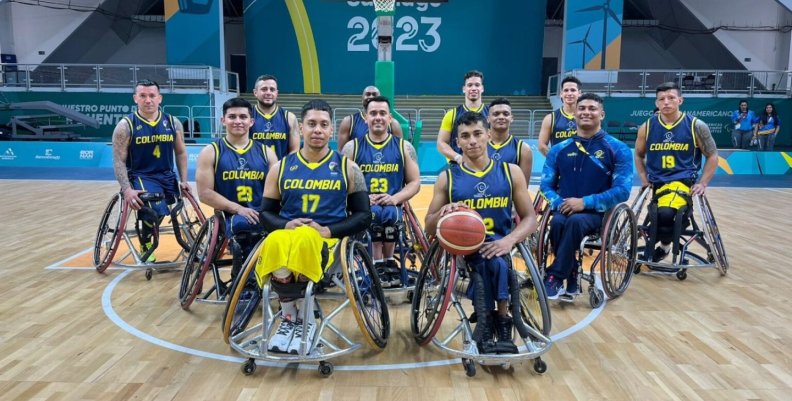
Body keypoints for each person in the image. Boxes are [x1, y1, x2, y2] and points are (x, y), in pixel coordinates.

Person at [258, 99, 371, 353]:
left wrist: (328, 231)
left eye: (323, 124)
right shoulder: (280, 168)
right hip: (289, 237)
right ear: (301, 128)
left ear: (331, 130)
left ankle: (306, 321)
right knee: (275, 239)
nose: (317, 130)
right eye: (311, 124)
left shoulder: (348, 168)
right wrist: (286, 224)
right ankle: (290, 318)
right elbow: (265, 213)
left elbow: (364, 215)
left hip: (328, 243)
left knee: (306, 237)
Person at [425, 112, 536, 354]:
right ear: (457, 142)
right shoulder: (447, 178)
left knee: (496, 261)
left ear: (488, 135)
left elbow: (530, 218)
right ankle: (491, 321)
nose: (472, 141)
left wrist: (509, 241)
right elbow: (429, 226)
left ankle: (499, 322)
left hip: (500, 242)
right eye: (465, 136)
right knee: (490, 264)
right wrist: (444, 210)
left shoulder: (511, 172)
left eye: (477, 134)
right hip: (462, 248)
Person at [540, 93, 633, 299]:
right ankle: (571, 272)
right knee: (557, 223)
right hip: (564, 208)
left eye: (592, 109)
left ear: (602, 114)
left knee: (574, 222)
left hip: (598, 214)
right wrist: (558, 202)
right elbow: (546, 185)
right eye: (582, 108)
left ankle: (554, 276)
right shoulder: (559, 149)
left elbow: (623, 190)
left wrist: (584, 202)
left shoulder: (618, 148)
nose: (586, 112)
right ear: (575, 114)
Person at [195, 97, 277, 286]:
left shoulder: (267, 153)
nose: (238, 121)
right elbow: (205, 193)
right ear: (223, 120)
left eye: (243, 117)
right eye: (232, 117)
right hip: (230, 216)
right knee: (244, 228)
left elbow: (279, 190)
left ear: (251, 121)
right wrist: (238, 209)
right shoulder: (211, 151)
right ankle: (243, 287)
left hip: (262, 212)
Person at [634, 82, 719, 263]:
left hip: (682, 182)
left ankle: (663, 247)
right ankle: (662, 240)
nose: (666, 102)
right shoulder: (647, 127)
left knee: (665, 214)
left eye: (671, 98)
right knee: (659, 215)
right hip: (657, 184)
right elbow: (639, 154)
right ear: (656, 103)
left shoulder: (696, 125)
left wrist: (702, 183)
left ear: (680, 100)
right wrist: (642, 177)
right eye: (661, 99)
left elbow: (712, 155)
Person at [341, 95, 420, 288]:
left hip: (392, 202)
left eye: (383, 113)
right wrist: (361, 199)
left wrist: (395, 198)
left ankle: (388, 261)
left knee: (390, 215)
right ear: (365, 118)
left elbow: (415, 182)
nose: (378, 117)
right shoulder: (352, 147)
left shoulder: (404, 147)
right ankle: (376, 264)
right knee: (374, 215)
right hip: (365, 205)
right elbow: (342, 183)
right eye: (373, 113)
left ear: (390, 118)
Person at [111, 79, 190, 262]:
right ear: (135, 99)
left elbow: (181, 153)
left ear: (160, 98)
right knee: (157, 210)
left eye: (152, 95)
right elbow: (119, 161)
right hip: (141, 176)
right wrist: (127, 189)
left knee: (172, 209)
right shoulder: (125, 126)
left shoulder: (173, 122)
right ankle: (146, 240)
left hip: (167, 175)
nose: (148, 100)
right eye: (143, 96)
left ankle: (190, 244)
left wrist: (184, 181)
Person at [437, 70, 488, 163]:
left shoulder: (491, 114)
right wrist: (457, 157)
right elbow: (441, 143)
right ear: (464, 89)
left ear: (482, 88)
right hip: (458, 169)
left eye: (477, 85)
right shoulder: (451, 115)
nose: (473, 88)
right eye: (469, 85)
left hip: (486, 167)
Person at [337, 85, 404, 151]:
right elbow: (342, 152)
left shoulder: (393, 124)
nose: (371, 97)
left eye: (374, 94)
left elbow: (399, 152)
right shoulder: (349, 122)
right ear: (362, 98)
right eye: (368, 94)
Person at [250, 74, 300, 159]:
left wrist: (281, 167)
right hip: (255, 170)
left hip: (281, 169)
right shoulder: (247, 116)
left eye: (272, 89)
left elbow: (295, 150)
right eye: (264, 89)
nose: (268, 92)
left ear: (276, 93)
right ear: (255, 92)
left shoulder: (289, 118)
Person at [486, 97, 533, 182]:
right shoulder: (478, 145)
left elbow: (523, 187)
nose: (501, 117)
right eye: (496, 114)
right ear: (488, 119)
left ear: (511, 118)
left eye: (505, 114)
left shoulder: (523, 149)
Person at [538, 76, 582, 156]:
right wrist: (557, 159)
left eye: (573, 90)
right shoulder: (550, 118)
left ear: (579, 93)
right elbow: (542, 145)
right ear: (561, 94)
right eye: (566, 90)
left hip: (582, 165)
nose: (569, 93)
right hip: (559, 167)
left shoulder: (585, 117)